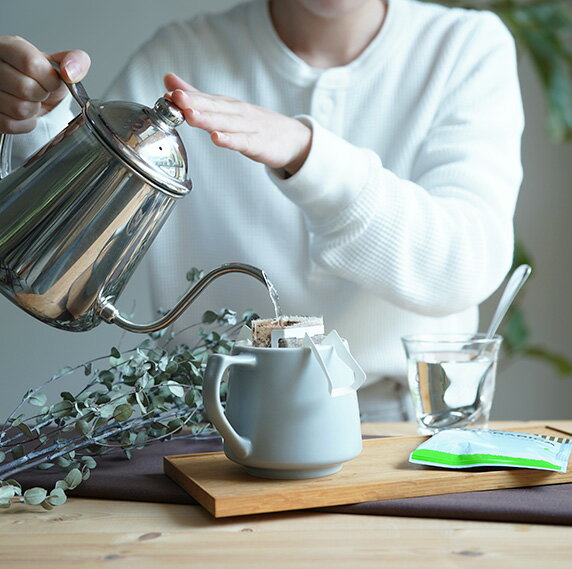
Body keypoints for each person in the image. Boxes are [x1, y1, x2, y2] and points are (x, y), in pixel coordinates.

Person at [0, 0, 524, 421]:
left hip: (399, 428)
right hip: (205, 426)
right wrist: (35, 129)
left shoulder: (464, 48)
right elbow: (84, 226)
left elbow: (466, 265)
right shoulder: (184, 55)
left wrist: (307, 154)